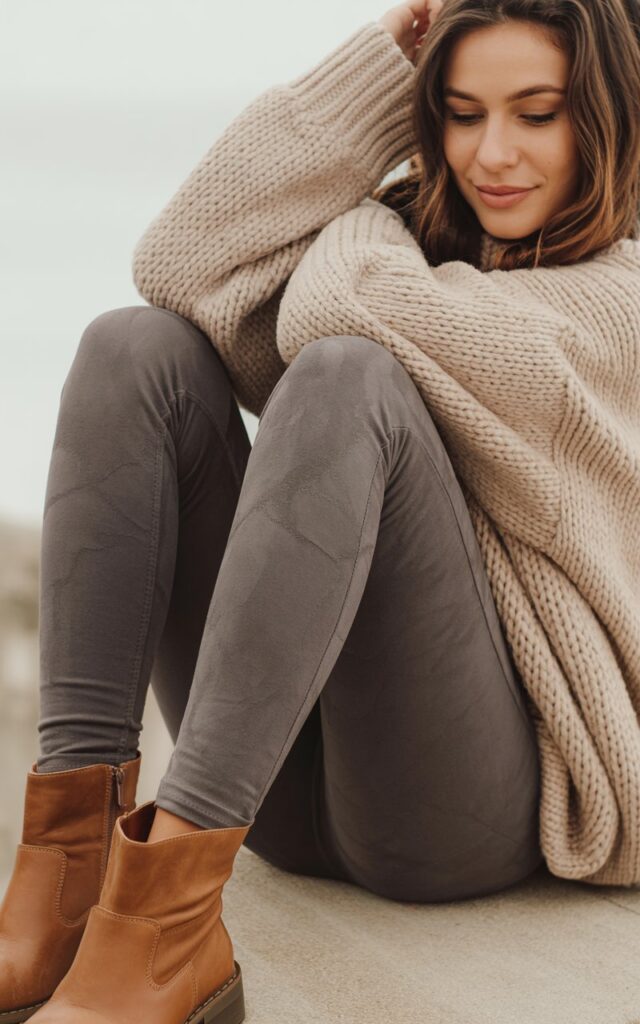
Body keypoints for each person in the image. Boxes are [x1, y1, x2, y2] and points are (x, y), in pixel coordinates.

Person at [2, 0, 639, 1021]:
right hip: (284, 798)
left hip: (461, 811)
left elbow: (337, 315)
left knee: (347, 379)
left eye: (536, 113)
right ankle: (68, 874)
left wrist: (353, 217)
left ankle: (164, 939)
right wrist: (381, 69)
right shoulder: (395, 254)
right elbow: (177, 262)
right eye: (460, 113)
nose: (493, 154)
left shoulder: (618, 300)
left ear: (603, 116)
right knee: (135, 347)